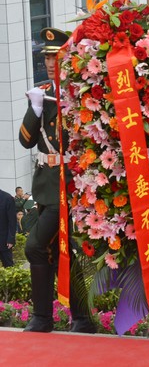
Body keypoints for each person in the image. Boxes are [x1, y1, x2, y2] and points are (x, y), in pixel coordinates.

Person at [19, 28, 95, 333]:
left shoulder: (80, 93)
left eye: (57, 56)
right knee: (60, 250)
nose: (51, 62)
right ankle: (78, 319)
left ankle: (45, 317)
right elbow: (26, 141)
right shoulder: (44, 93)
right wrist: (34, 109)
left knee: (37, 246)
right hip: (46, 186)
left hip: (71, 185)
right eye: (47, 57)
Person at [0, 188, 15, 267]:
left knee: (8, 266)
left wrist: (11, 239)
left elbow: (12, 221)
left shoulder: (7, 198)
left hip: (4, 241)